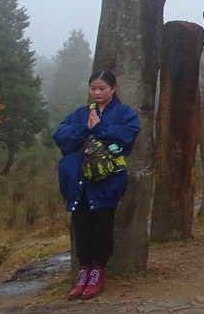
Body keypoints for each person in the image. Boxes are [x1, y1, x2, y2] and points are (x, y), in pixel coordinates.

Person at [54, 70, 140, 300]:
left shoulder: (124, 113)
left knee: (102, 227)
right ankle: (84, 272)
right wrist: (86, 128)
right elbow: (61, 134)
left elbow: (128, 136)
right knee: (82, 227)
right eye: (93, 88)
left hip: (106, 182)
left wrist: (100, 128)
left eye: (102, 88)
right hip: (79, 183)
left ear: (113, 88)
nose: (97, 92)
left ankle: (98, 271)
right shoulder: (82, 113)